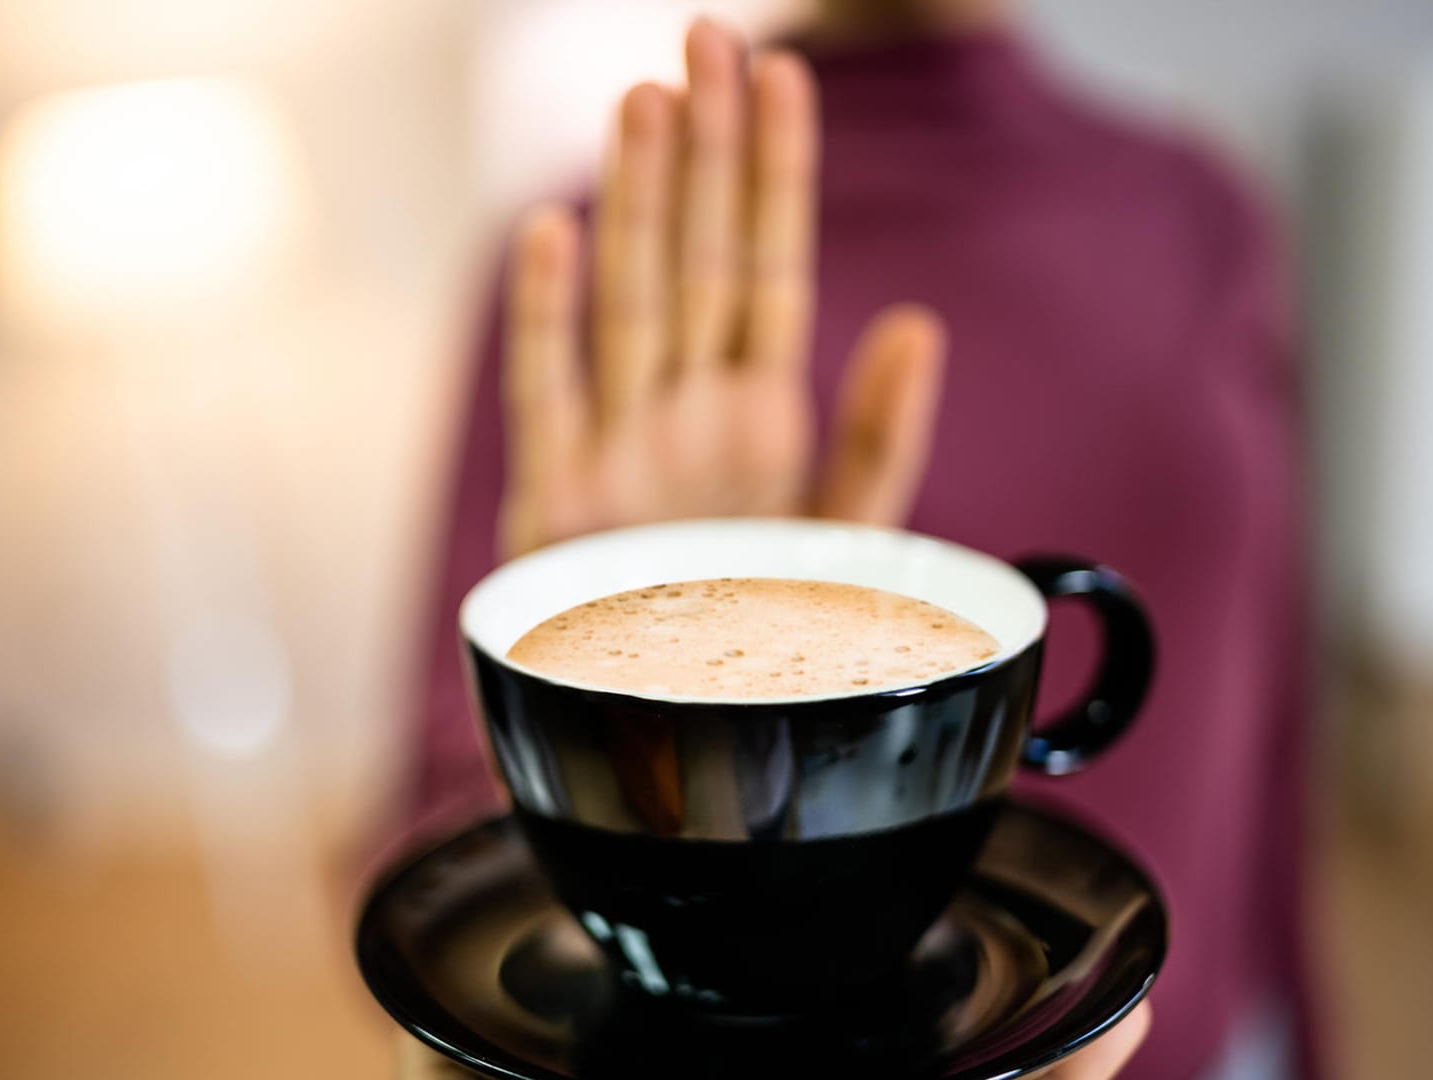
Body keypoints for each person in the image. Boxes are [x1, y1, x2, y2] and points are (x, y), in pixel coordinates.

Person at [394, 3, 1318, 1078]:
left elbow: (1278, 723)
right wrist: (619, 733)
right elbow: (431, 850)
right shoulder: (590, 259)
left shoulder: (1205, 217)